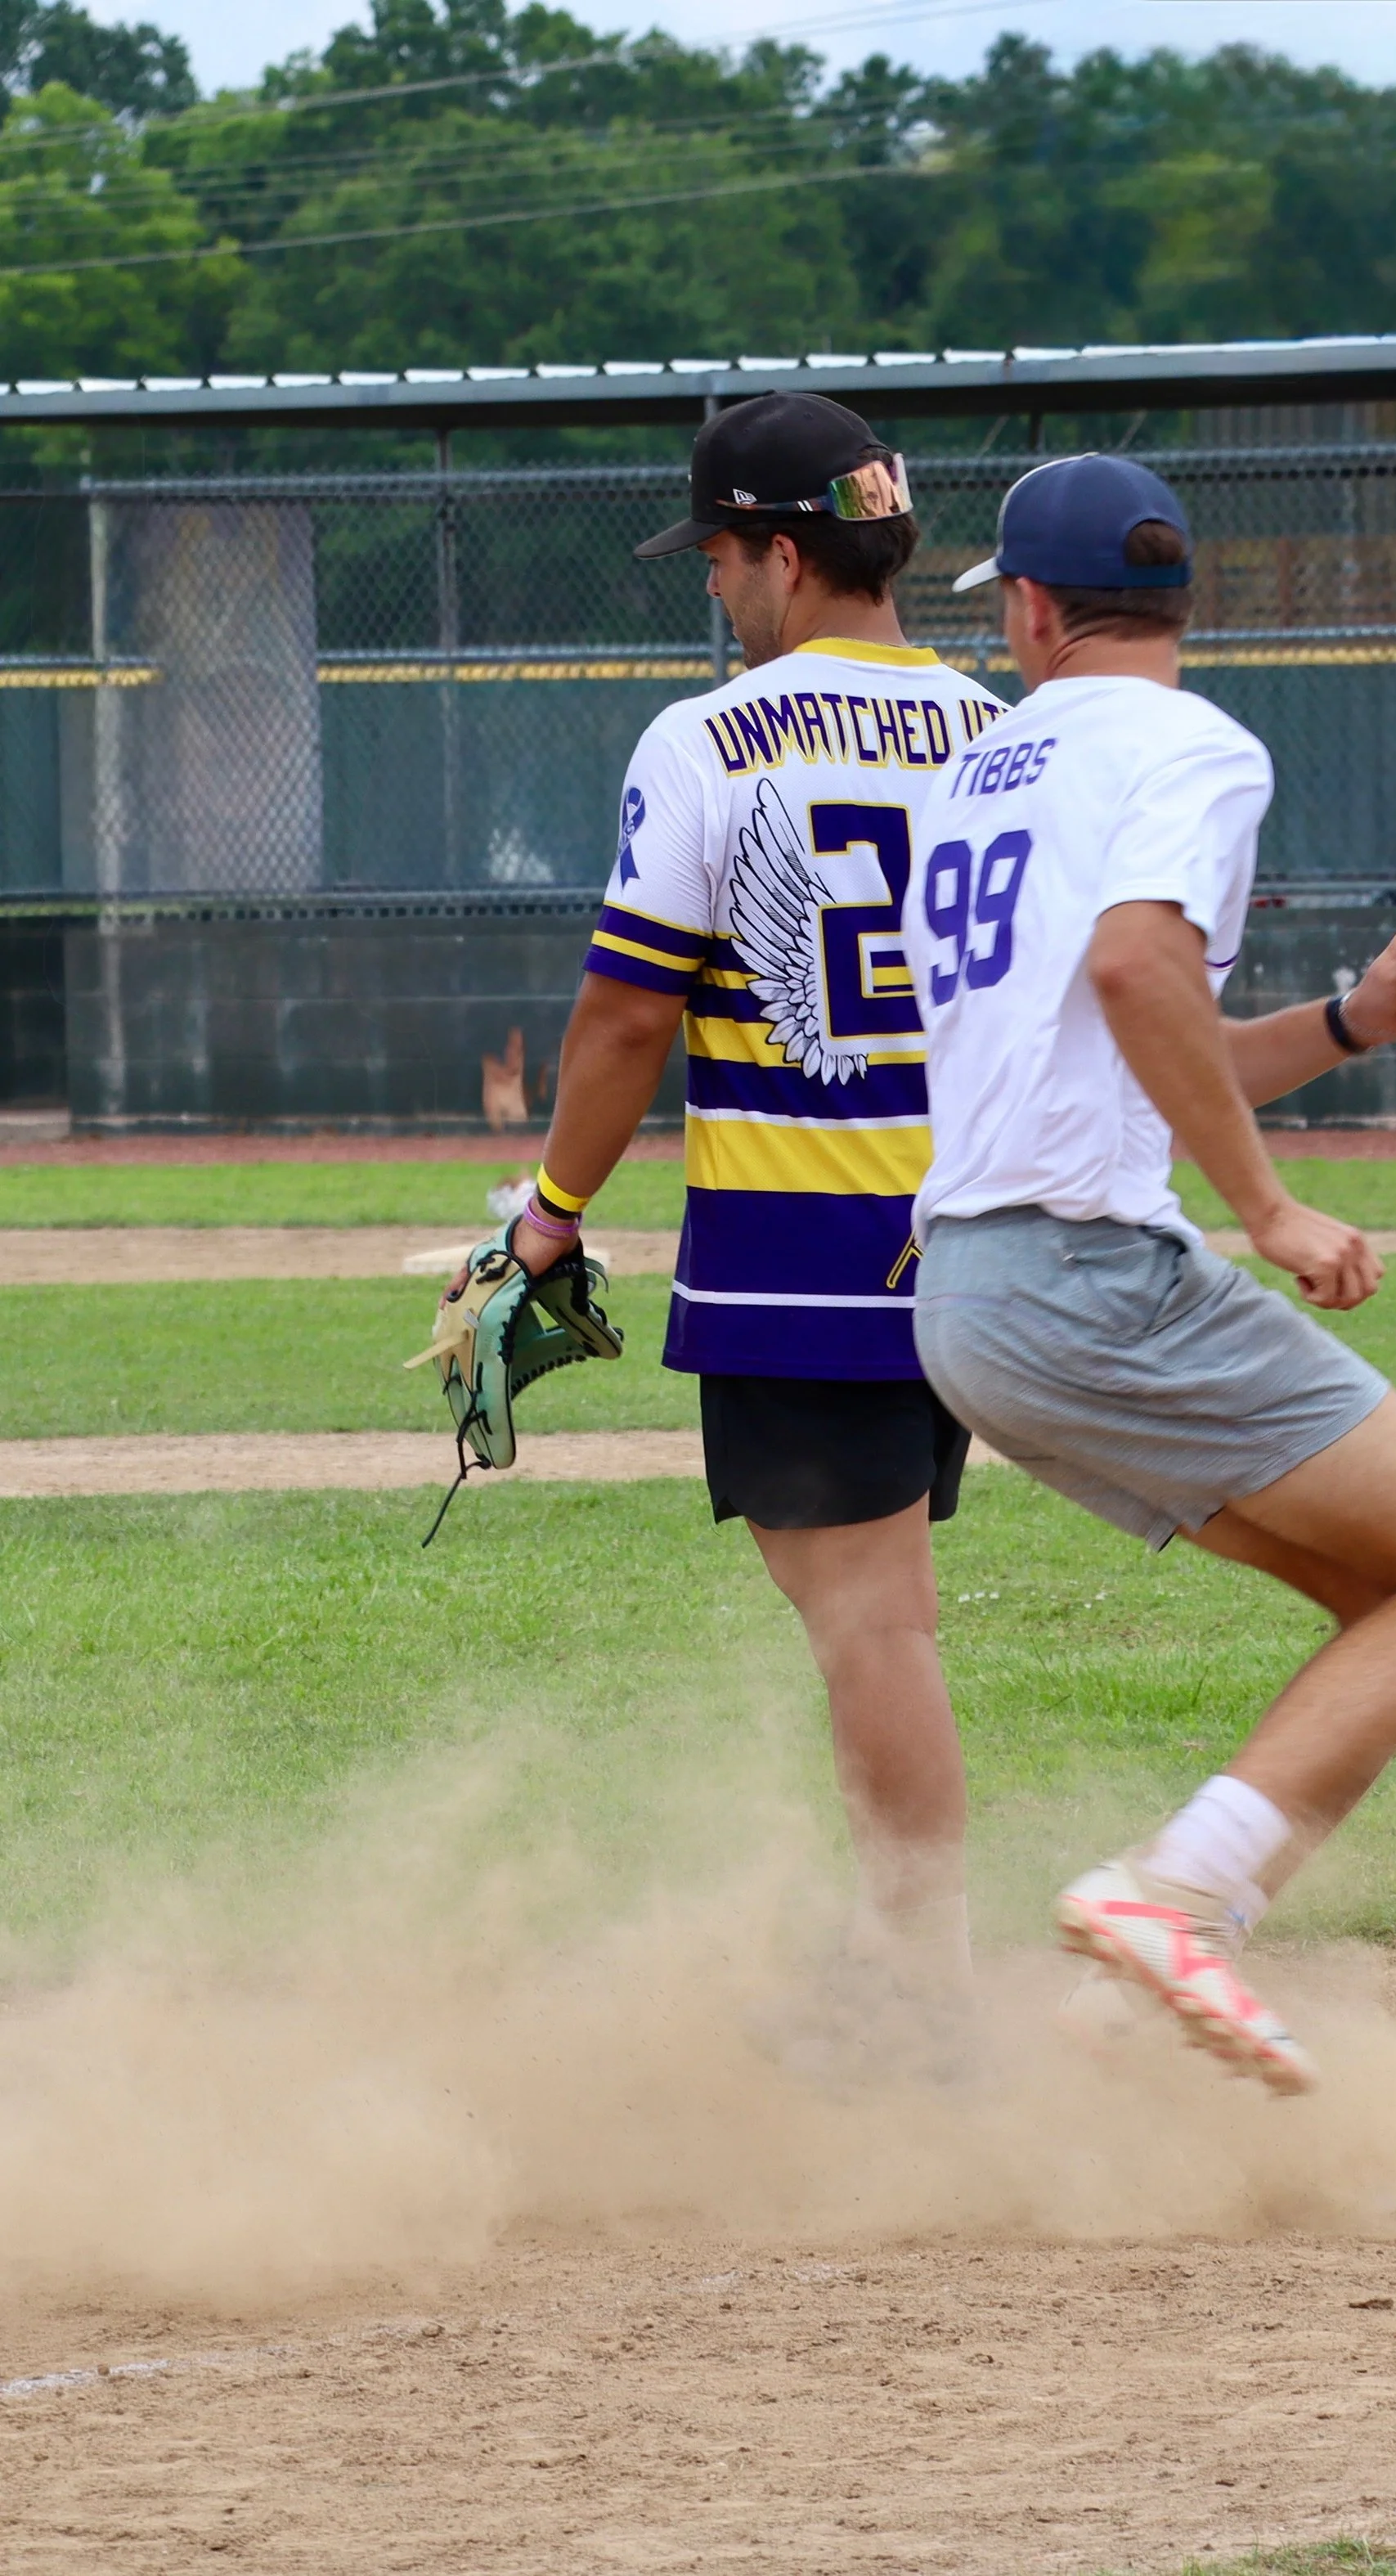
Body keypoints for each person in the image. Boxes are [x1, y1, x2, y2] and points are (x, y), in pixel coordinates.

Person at [902, 453, 1396, 2095]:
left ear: (1031, 611)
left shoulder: (983, 771)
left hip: (971, 1297)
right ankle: (1171, 1899)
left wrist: (1345, 1024)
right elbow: (1135, 968)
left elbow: (1132, 1032)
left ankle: (1144, 1968)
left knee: (1384, 1608)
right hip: (1086, 1276)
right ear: (1175, 601)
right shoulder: (1191, 742)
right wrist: (1264, 1206)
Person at [499, 391, 1004, 2023]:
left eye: (718, 554)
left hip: (804, 1244)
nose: (714, 586)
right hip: (962, 1229)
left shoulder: (709, 735)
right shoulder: (998, 727)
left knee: (869, 1623)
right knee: (879, 1604)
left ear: (786, 554)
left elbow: (628, 1016)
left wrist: (551, 1207)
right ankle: (896, 1952)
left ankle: (922, 1979)